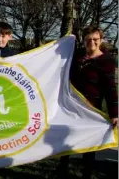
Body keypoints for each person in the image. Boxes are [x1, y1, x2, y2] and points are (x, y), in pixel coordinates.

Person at [58, 26, 118, 178]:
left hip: (91, 108)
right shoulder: (77, 57)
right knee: (65, 140)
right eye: (88, 40)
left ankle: (86, 173)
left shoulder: (106, 61)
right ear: (84, 41)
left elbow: (110, 88)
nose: (91, 42)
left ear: (101, 40)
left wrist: (114, 113)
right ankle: (62, 171)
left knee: (89, 145)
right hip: (71, 107)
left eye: (95, 39)